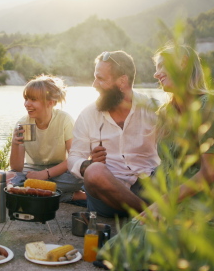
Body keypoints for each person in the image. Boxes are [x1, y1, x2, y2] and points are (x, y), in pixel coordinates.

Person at [96, 42, 214, 271]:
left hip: (206, 207)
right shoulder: (166, 112)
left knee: (144, 251)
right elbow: (166, 166)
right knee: (112, 252)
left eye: (162, 66)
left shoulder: (211, 107)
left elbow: (209, 174)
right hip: (175, 204)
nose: (156, 74)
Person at [67, 50, 160, 218]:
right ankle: (151, 214)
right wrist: (87, 164)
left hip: (147, 187)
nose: (94, 84)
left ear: (122, 81)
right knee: (95, 171)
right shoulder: (88, 114)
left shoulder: (154, 109)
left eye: (100, 79)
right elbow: (73, 157)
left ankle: (144, 211)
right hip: (107, 195)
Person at [9, 74, 85, 203]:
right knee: (10, 180)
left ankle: (32, 191)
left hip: (59, 170)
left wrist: (45, 174)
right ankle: (72, 196)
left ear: (51, 102)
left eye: (33, 99)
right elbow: (17, 168)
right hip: (32, 170)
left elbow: (73, 158)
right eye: (26, 99)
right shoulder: (23, 123)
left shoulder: (64, 120)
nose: (27, 104)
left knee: (80, 178)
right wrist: (15, 144)